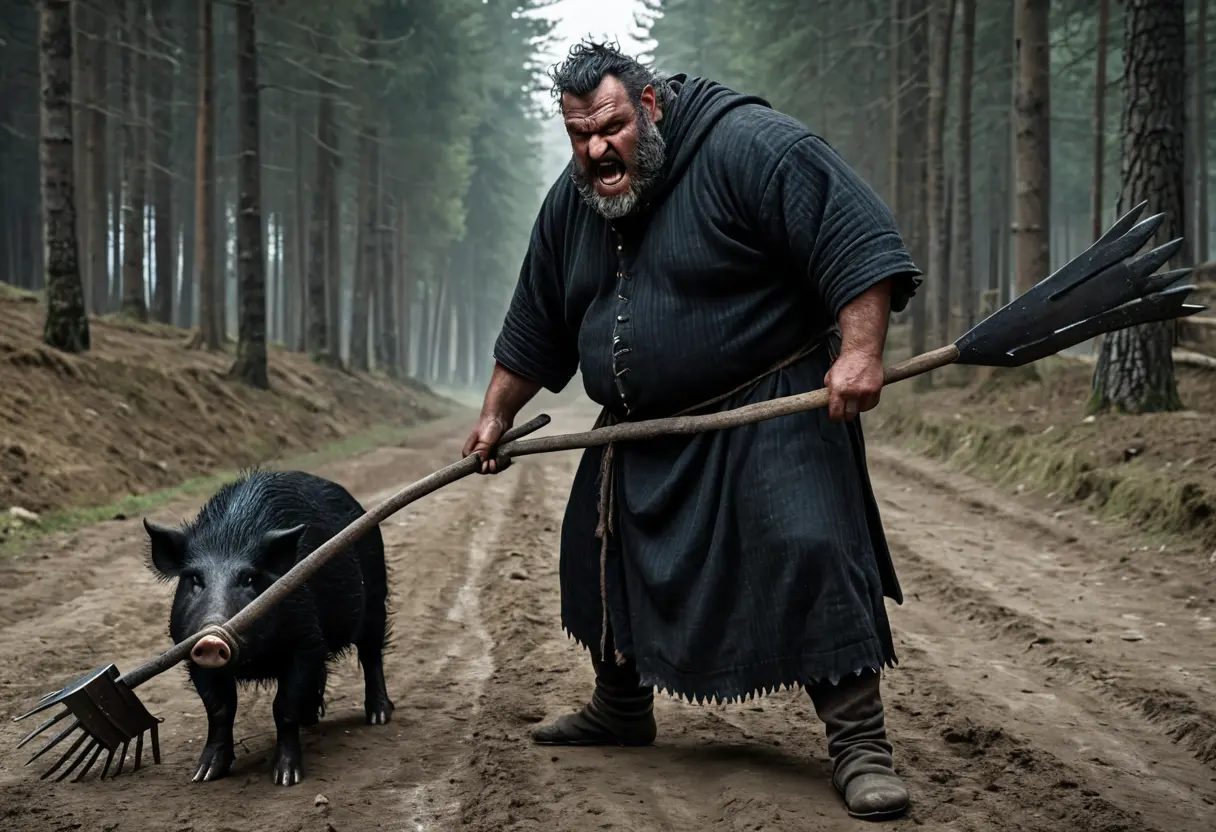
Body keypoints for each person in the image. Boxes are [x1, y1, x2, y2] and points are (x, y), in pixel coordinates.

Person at [462, 40, 923, 822]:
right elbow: (536, 319)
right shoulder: (573, 202)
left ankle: (860, 744)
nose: (597, 150)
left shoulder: (748, 146)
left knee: (812, 543)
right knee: (598, 546)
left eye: (609, 127)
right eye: (579, 135)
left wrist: (861, 351)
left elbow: (856, 237)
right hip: (641, 429)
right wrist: (495, 414)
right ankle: (620, 706)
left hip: (767, 400)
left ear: (648, 105)